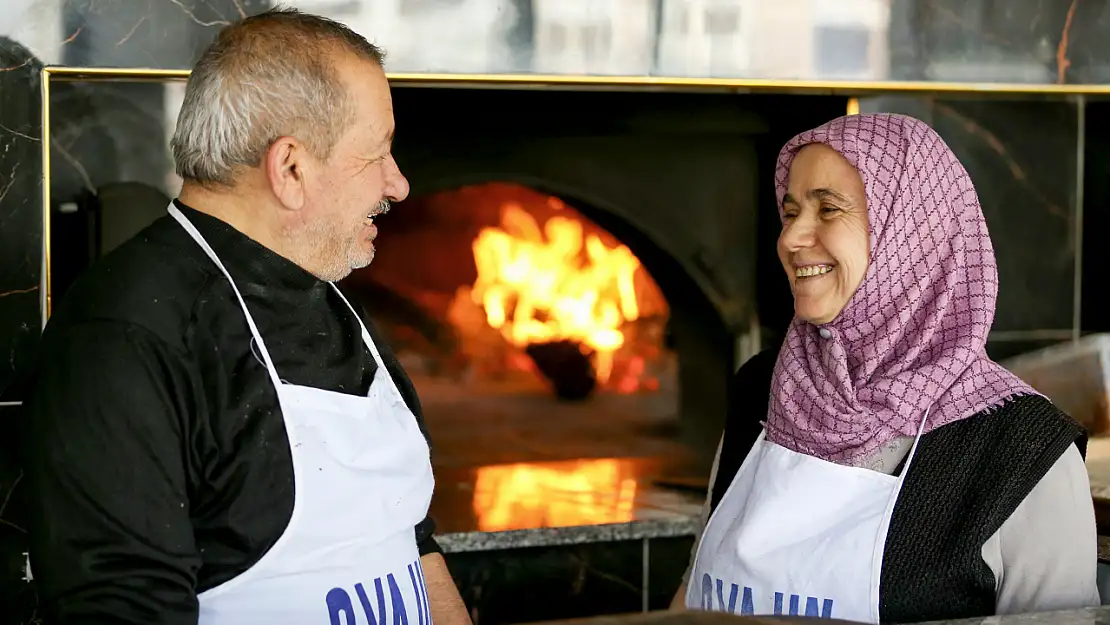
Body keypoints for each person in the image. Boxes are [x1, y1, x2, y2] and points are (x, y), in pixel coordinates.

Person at [21, 8, 471, 625]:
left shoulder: (334, 299)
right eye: (378, 155)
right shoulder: (123, 338)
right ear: (290, 168)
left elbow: (411, 539)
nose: (399, 185)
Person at [669, 113, 1101, 623]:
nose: (790, 239)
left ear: (912, 237)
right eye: (790, 214)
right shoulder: (763, 388)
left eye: (828, 209)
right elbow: (692, 594)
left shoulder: (1023, 450)